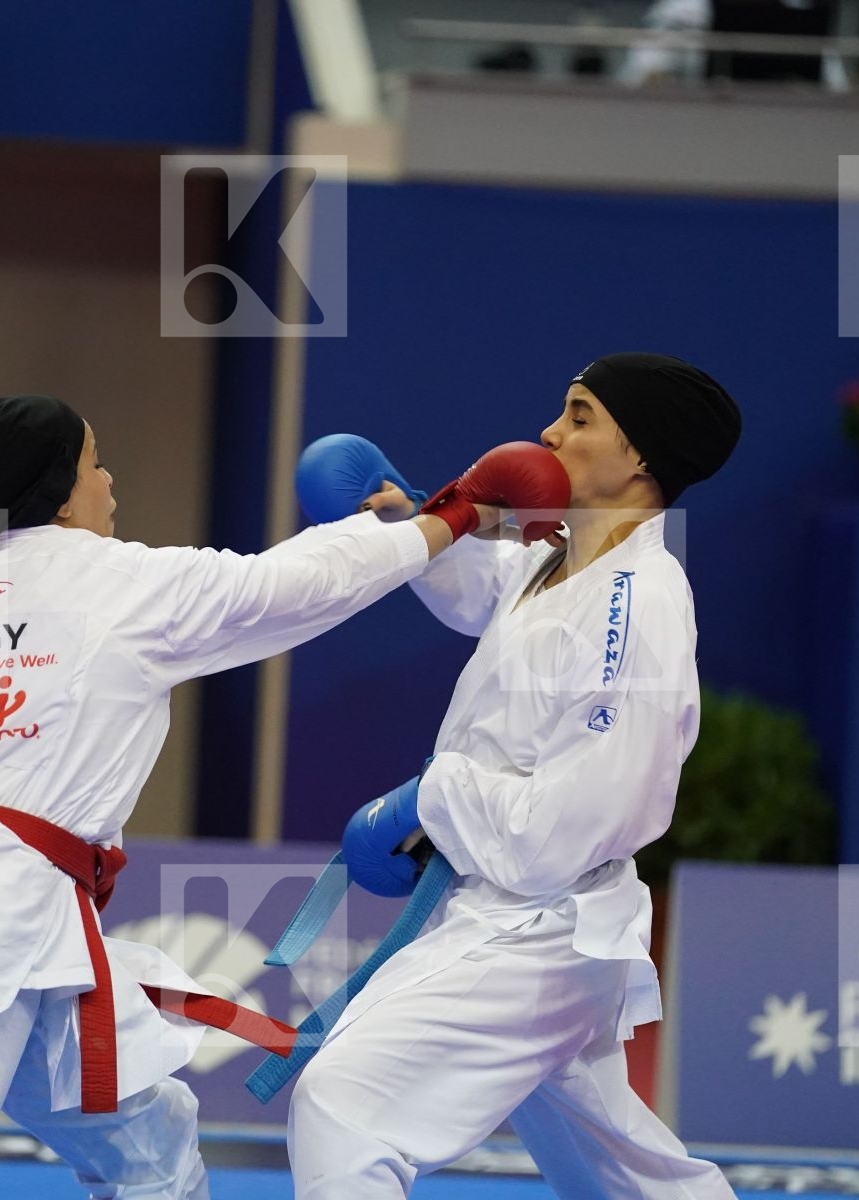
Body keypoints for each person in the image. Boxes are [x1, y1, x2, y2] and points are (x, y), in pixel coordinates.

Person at [0, 393, 544, 1200]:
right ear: (62, 491)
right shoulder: (120, 583)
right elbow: (295, 586)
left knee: (151, 1145)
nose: (109, 477)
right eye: (95, 462)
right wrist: (451, 517)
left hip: (27, 926)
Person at [285, 353, 743, 1199]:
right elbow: (486, 601)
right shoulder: (559, 557)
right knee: (628, 1176)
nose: (549, 432)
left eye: (579, 414)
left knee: (344, 1105)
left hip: (539, 929)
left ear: (640, 455)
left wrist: (431, 795)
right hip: (522, 910)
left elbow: (558, 835)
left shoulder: (636, 606)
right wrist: (418, 524)